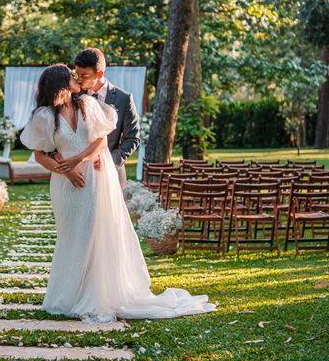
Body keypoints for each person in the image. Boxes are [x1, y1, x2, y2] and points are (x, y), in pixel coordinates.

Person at [20, 63, 215, 323]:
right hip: (67, 184)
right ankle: (69, 295)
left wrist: (79, 158)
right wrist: (65, 171)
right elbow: (39, 155)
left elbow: (101, 140)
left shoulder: (87, 105)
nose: (77, 79)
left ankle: (96, 292)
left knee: (95, 233)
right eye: (71, 77)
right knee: (74, 236)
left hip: (96, 179)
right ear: (61, 84)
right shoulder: (45, 116)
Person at [72, 48, 139, 190]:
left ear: (100, 73)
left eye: (84, 75)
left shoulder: (124, 99)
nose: (78, 79)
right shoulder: (73, 96)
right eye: (77, 74)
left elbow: (132, 138)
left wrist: (109, 160)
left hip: (111, 172)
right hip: (79, 173)